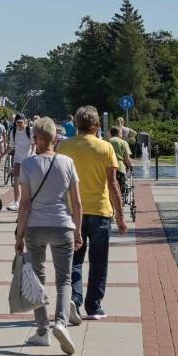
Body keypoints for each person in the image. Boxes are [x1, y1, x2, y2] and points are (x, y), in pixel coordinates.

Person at [14, 117, 83, 355]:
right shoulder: (67, 162)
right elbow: (77, 201)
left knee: (37, 279)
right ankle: (61, 323)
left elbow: (24, 204)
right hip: (63, 226)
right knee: (64, 280)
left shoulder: (28, 164)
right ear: (56, 138)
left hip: (35, 227)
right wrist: (79, 230)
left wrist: (19, 234)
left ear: (35, 139)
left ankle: (42, 331)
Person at [59, 105, 127, 323]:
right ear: (96, 126)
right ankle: (94, 307)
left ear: (76, 125)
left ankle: (75, 300)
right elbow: (113, 184)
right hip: (100, 211)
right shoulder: (105, 148)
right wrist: (121, 217)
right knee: (99, 263)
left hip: (72, 213)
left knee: (75, 261)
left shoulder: (64, 147)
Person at [6, 116, 34, 211]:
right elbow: (11, 146)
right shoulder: (13, 131)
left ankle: (29, 202)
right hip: (17, 160)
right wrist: (0, 156)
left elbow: (34, 144)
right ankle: (16, 202)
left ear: (25, 121)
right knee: (16, 181)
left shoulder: (30, 130)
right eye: (17, 122)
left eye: (20, 122)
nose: (19, 124)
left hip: (29, 161)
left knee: (28, 182)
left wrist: (31, 154)